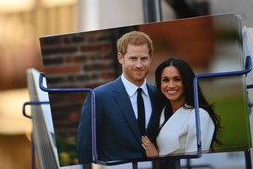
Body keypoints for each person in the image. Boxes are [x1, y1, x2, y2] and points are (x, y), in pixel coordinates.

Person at [77, 31, 162, 164]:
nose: (139, 65)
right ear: (120, 58)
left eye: (144, 58)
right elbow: (85, 148)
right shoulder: (99, 96)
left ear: (150, 58)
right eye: (133, 58)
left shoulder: (159, 94)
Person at [142, 57, 221, 158]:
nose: (171, 85)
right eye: (165, 80)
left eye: (177, 79)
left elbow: (197, 162)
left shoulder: (199, 115)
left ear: (187, 82)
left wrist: (156, 159)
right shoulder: (161, 111)